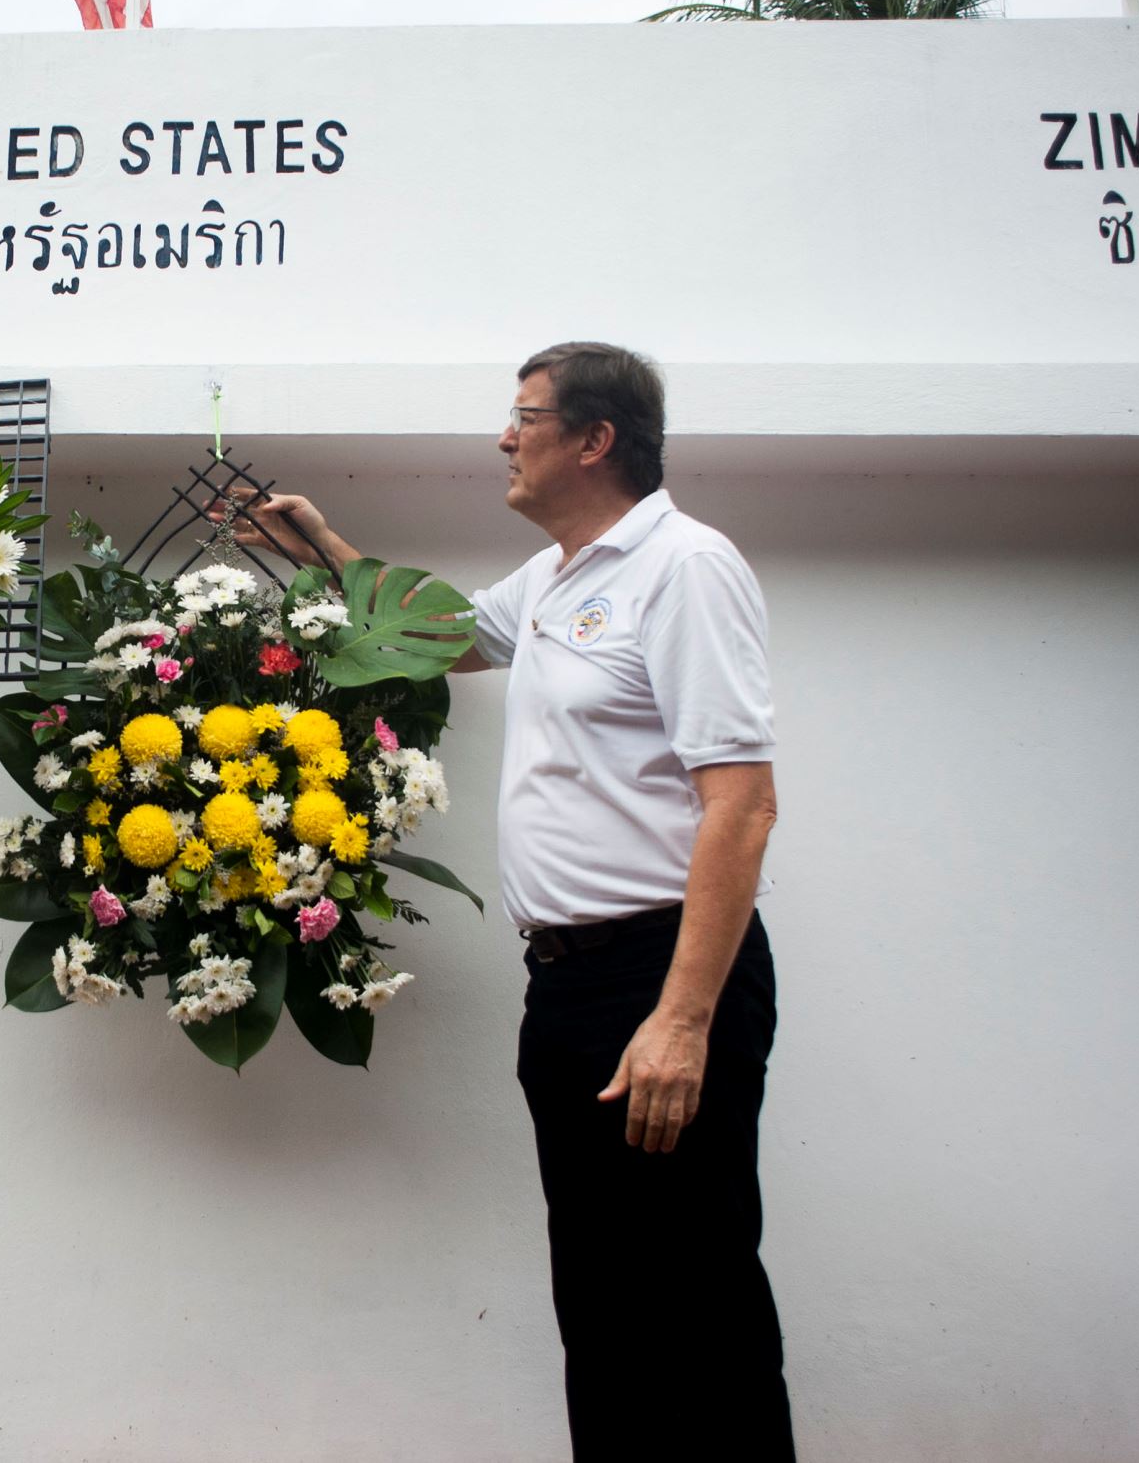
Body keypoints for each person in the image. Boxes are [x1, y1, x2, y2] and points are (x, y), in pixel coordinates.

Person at [244, 342, 792, 1460]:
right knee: (603, 1310)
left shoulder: (681, 567)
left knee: (694, 1309)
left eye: (523, 416)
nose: (503, 436)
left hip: (660, 980)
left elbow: (739, 806)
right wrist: (322, 556)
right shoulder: (552, 578)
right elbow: (444, 641)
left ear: (593, 440)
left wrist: (680, 1022)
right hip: (570, 987)